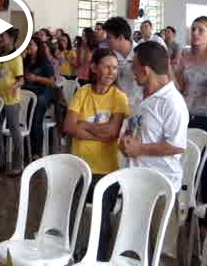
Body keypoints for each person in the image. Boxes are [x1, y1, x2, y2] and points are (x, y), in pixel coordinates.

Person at [120, 41, 188, 258]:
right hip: (136, 178)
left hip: (161, 184)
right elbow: (135, 127)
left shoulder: (172, 102)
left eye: (134, 67)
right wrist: (127, 140)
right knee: (133, 247)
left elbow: (176, 146)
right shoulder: (142, 95)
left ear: (146, 70)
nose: (132, 73)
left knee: (161, 251)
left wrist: (140, 148)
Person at [63, 48, 130, 261]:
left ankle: (98, 260)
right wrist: (100, 132)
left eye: (115, 68)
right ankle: (70, 256)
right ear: (93, 67)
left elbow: (112, 133)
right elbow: (68, 126)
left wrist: (84, 125)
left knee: (101, 222)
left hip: (106, 171)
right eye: (107, 67)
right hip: (80, 168)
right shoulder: (82, 92)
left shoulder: (119, 98)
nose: (111, 72)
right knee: (71, 217)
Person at [176, 16, 207, 202]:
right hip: (189, 116)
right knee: (188, 166)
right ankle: (187, 206)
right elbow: (181, 87)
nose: (195, 33)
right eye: (193, 29)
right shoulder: (185, 55)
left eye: (201, 30)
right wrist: (172, 69)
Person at [0, 27, 24, 177]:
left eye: (3, 36)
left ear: (11, 39)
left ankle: (18, 165)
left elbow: (21, 79)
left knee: (14, 131)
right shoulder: (0, 56)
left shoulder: (16, 57)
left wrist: (14, 86)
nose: (1, 39)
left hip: (11, 101)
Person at [23, 37, 55, 160]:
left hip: (42, 93)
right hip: (29, 93)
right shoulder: (26, 60)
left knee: (36, 121)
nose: (29, 47)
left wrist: (36, 78)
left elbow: (52, 81)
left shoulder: (44, 61)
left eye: (31, 45)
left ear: (38, 47)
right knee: (26, 121)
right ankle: (27, 150)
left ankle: (37, 152)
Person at [103, 17, 143, 115]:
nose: (106, 40)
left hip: (139, 108)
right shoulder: (110, 55)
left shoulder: (142, 53)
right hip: (118, 106)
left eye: (109, 37)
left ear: (120, 37)